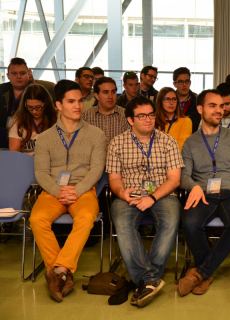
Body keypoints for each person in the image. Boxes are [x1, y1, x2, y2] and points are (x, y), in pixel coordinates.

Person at [178, 89, 230, 297]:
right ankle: (205, 272)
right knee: (188, 223)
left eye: (221, 106)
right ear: (200, 109)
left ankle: (200, 273)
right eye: (212, 106)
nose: (219, 110)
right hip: (203, 192)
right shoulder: (190, 143)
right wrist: (194, 186)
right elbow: (184, 176)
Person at [29, 79, 106, 303]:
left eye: (80, 101)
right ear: (58, 105)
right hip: (53, 192)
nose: (77, 106)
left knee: (85, 217)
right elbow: (41, 172)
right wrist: (58, 191)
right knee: (37, 218)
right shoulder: (44, 138)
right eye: (71, 101)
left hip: (83, 191)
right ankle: (62, 273)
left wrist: (76, 190)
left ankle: (58, 271)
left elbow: (97, 170)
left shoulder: (96, 134)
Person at [107, 96, 184, 308]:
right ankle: (150, 278)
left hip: (162, 194)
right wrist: (122, 193)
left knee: (170, 220)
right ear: (131, 120)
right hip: (129, 195)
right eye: (142, 116)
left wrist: (152, 197)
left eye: (151, 115)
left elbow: (174, 179)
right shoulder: (117, 143)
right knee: (122, 222)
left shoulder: (167, 141)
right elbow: (113, 179)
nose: (148, 120)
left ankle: (143, 279)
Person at [0, 57, 55, 148]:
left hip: (31, 138)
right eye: (14, 73)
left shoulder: (42, 89)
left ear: (29, 73)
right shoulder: (1, 90)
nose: (18, 77)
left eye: (22, 73)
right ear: (8, 75)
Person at [9, 84, 57, 155]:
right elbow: (14, 154)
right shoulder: (17, 122)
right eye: (30, 107)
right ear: (25, 105)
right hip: (25, 162)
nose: (34, 111)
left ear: (46, 104)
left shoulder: (56, 118)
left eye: (38, 107)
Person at [82, 77, 129, 143]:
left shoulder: (126, 114)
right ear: (97, 96)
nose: (110, 96)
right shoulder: (86, 116)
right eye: (106, 92)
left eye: (113, 92)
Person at [155, 87, 192, 151]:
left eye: (174, 99)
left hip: (176, 158)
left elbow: (181, 146)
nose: (171, 103)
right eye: (167, 99)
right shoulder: (154, 120)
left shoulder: (186, 121)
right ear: (160, 102)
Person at [173, 67, 200, 132]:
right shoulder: (168, 100)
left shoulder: (198, 100)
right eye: (180, 82)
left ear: (190, 82)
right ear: (175, 84)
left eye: (187, 81)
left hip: (192, 139)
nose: (184, 85)